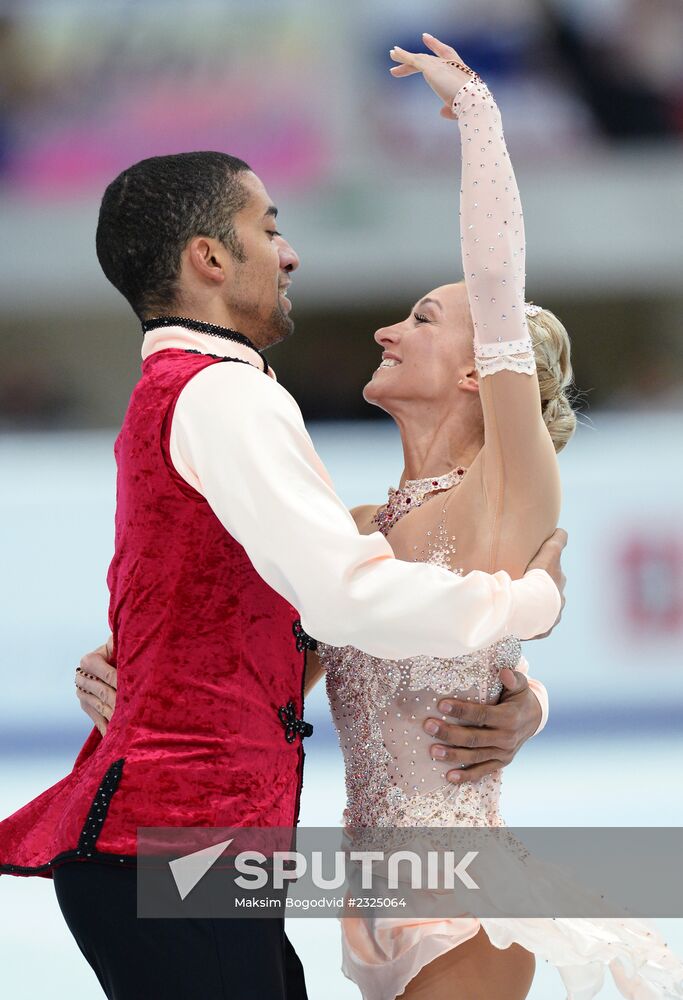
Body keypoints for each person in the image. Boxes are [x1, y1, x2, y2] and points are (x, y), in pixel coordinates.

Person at [0, 133, 566, 998]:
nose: (290, 252)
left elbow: (283, 634)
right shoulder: (227, 394)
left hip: (256, 856)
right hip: (184, 843)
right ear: (209, 258)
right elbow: (344, 609)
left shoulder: (200, 392)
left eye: (421, 318)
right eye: (270, 229)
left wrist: (521, 695)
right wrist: (527, 604)